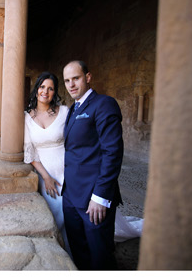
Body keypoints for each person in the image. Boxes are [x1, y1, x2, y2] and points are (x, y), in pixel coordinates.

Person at [61, 60, 123, 270]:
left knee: (100, 256)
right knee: (79, 251)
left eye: (76, 78)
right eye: (67, 80)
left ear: (88, 77)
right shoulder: (73, 109)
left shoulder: (104, 104)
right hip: (70, 195)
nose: (71, 85)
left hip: (92, 199)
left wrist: (101, 196)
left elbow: (112, 153)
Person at [24, 71, 70, 252]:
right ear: (37, 89)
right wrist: (46, 177)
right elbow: (30, 152)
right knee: (55, 216)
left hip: (68, 168)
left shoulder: (65, 112)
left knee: (71, 214)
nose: (46, 91)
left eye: (50, 88)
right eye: (42, 87)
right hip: (46, 173)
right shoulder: (27, 117)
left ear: (55, 92)